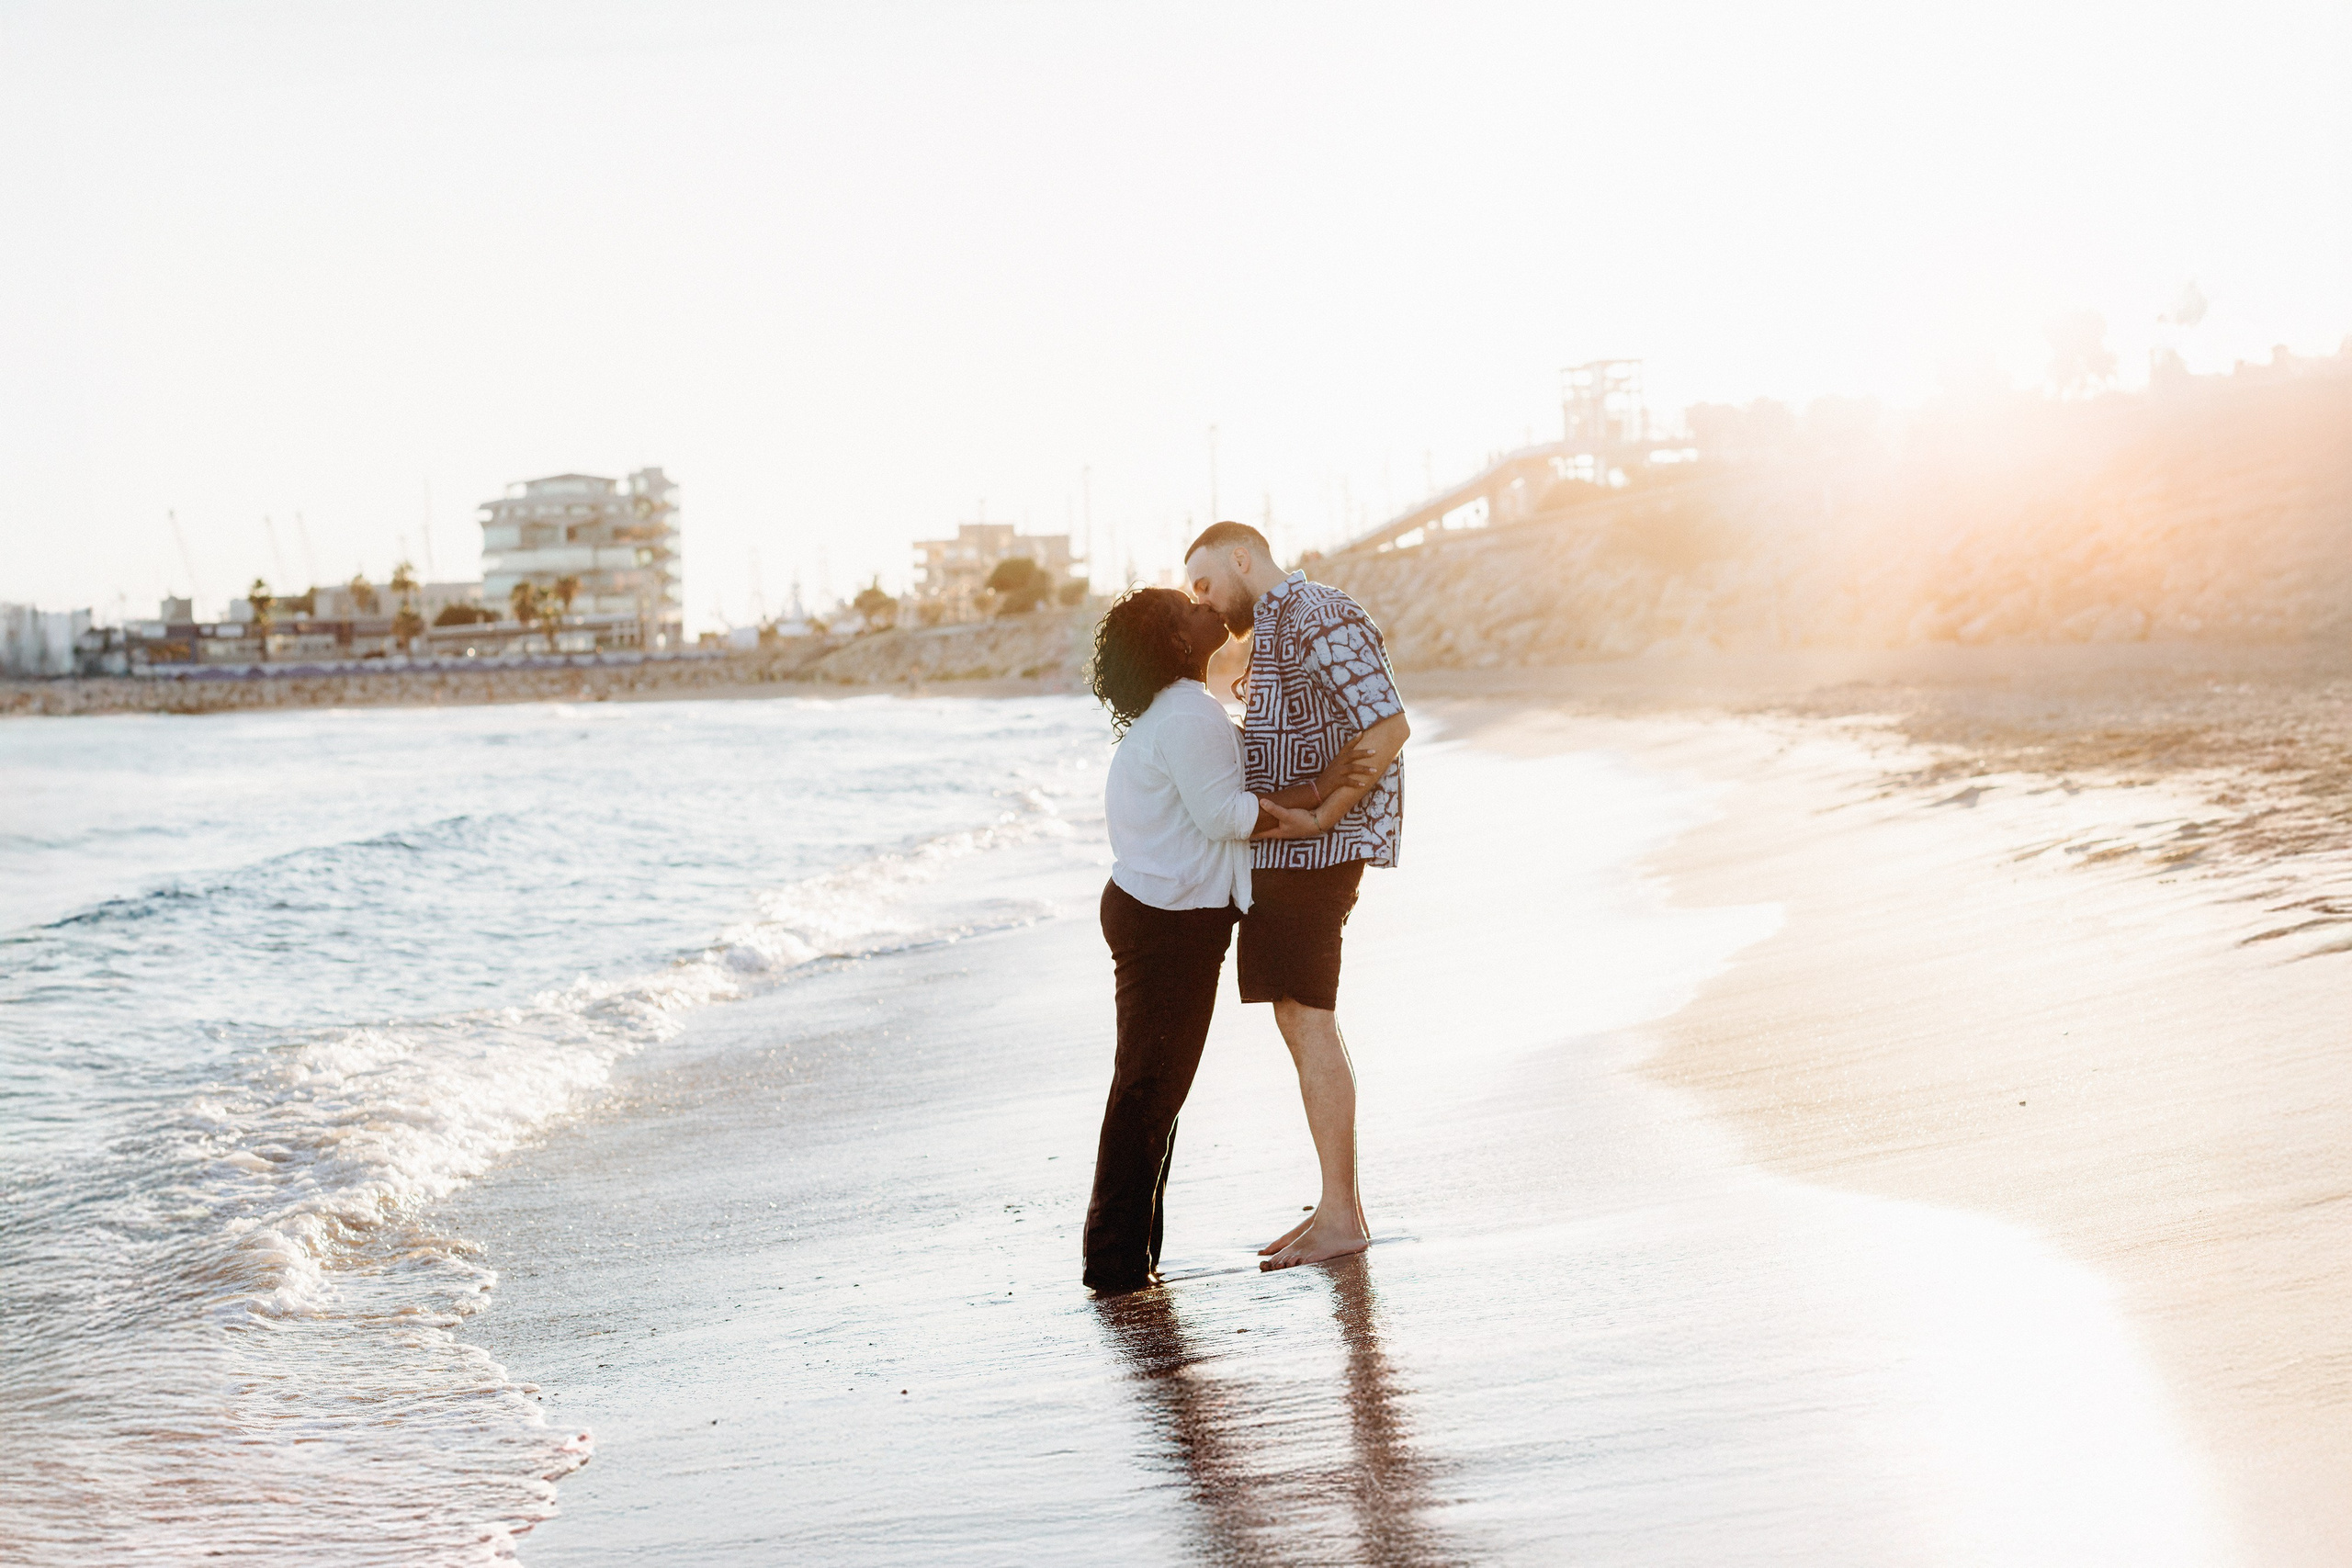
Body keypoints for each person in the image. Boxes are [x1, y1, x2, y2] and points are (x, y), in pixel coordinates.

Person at [1081, 586, 1379, 1296]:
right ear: (1178, 642)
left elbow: (1232, 790)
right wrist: (1321, 797)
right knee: (1150, 1090)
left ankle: (1129, 1255)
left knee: (1153, 1090)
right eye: (1188, 605)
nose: (1204, 603)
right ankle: (1113, 1263)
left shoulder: (1183, 708)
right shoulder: (1185, 712)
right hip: (1164, 924)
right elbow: (1225, 815)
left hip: (1161, 915)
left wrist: (1316, 785)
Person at [1182, 522, 1410, 1271]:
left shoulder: (1317, 611)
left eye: (1208, 582)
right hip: (1299, 850)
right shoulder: (1277, 628)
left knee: (1307, 1017)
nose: (1205, 602)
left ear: (1242, 558)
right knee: (1300, 1014)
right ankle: (1339, 1207)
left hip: (1319, 852)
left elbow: (1389, 723)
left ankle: (1341, 1214)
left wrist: (1317, 814)